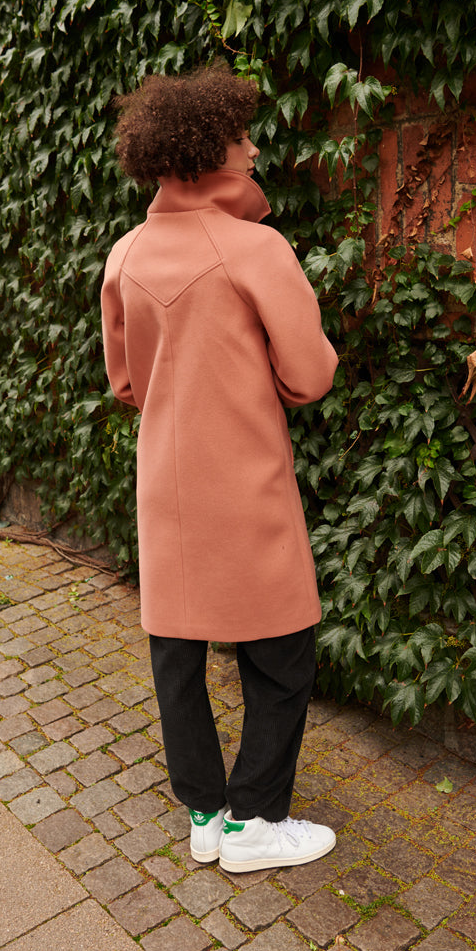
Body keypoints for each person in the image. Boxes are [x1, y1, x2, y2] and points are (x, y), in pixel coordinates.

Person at [101, 63, 339, 872]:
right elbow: (309, 376)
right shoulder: (255, 248)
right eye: (242, 136)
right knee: (282, 651)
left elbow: (125, 384)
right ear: (206, 152)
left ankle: (205, 814)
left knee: (177, 651)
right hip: (245, 481)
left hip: (165, 484)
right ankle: (255, 822)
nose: (254, 148)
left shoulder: (124, 256)